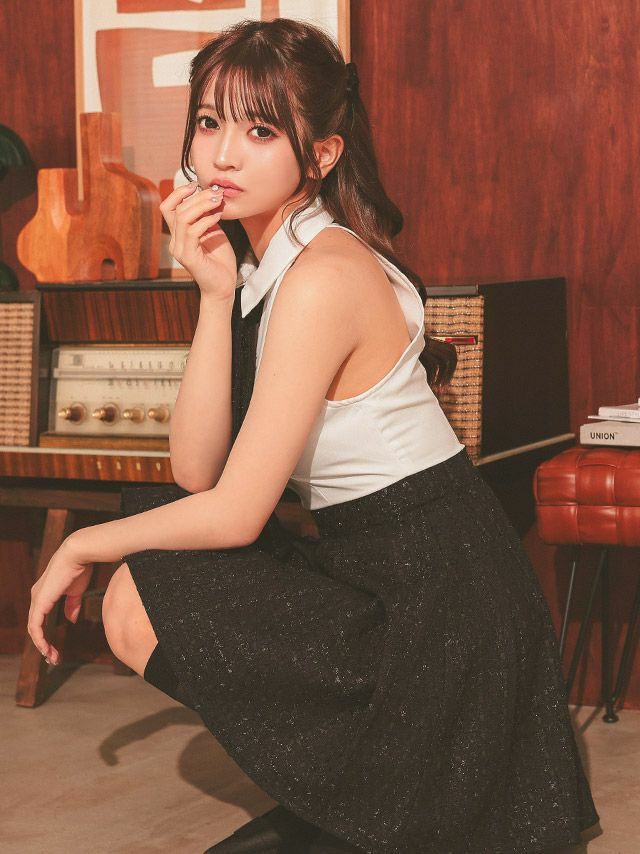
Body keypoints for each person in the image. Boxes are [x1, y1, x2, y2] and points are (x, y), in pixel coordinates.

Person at [27, 16, 599, 854]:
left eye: (261, 131)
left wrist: (80, 544)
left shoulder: (324, 274)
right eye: (209, 122)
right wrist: (213, 295)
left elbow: (234, 513)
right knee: (143, 584)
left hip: (440, 609)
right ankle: (359, 789)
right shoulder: (265, 266)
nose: (223, 155)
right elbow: (195, 472)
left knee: (138, 574)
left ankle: (375, 787)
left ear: (323, 154)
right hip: (372, 568)